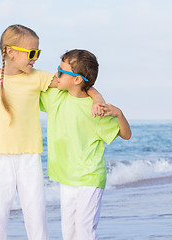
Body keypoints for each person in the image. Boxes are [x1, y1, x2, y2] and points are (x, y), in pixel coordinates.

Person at [0, 24, 103, 240]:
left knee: (36, 219)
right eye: (32, 53)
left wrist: (98, 98)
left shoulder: (38, 77)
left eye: (37, 53)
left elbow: (76, 81)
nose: (35, 58)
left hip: (30, 158)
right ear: (10, 52)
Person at [39, 49, 132, 240]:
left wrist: (119, 114)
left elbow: (126, 135)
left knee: (84, 231)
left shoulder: (95, 110)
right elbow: (29, 81)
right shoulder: (55, 97)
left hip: (90, 177)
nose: (56, 74)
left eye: (61, 71)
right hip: (66, 177)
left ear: (77, 79)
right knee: (69, 232)